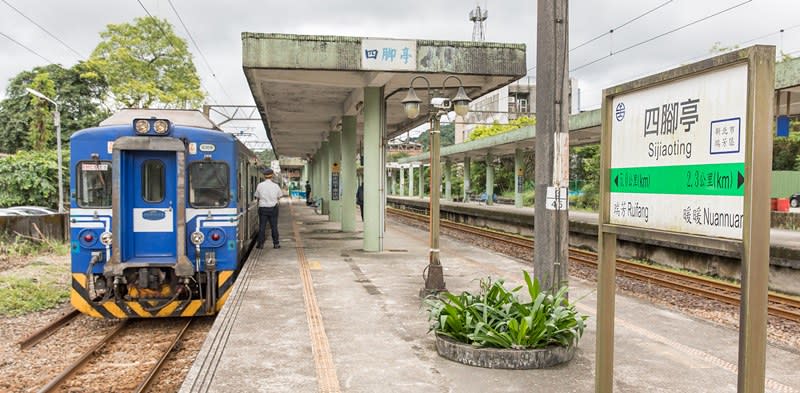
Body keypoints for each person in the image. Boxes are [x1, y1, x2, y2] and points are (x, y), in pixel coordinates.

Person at [254, 168, 284, 249]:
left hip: (263, 208)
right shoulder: (276, 186)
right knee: (274, 226)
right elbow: (279, 196)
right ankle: (276, 244)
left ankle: (260, 244)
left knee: (262, 227)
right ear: (272, 176)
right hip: (273, 209)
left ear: (264, 176)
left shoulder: (260, 185)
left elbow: (257, 197)